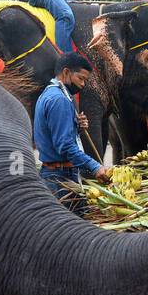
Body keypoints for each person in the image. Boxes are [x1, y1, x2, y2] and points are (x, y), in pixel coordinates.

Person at [34, 52, 103, 212]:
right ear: (66, 72)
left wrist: (76, 126)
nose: (83, 85)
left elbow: (54, 134)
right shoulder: (59, 100)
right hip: (60, 178)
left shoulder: (50, 94)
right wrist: (95, 167)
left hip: (56, 174)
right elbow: (65, 146)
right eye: (81, 78)